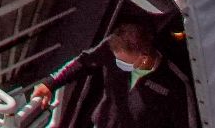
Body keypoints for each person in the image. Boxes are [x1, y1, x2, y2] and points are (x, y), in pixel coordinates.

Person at [29, 20, 191, 128]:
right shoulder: (111, 48)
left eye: (124, 62)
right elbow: (83, 62)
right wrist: (51, 83)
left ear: (143, 58)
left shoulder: (174, 84)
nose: (117, 64)